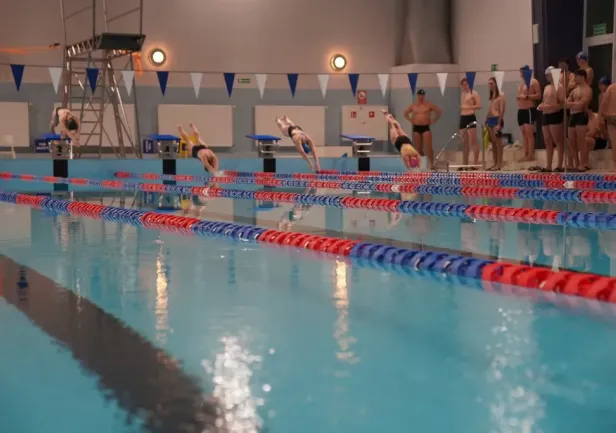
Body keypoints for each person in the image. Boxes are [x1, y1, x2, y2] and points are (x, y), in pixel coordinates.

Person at [403, 89, 442, 169]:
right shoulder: (413, 106)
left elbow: (438, 112)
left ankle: (432, 164)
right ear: (417, 96)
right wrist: (411, 120)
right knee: (418, 148)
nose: (421, 97)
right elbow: (405, 113)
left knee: (428, 147)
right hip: (416, 128)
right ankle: (420, 164)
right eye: (419, 95)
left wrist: (433, 121)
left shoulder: (428, 105)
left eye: (422, 95)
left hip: (425, 127)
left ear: (424, 96)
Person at [537, 66, 566, 172]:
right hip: (545, 115)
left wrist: (550, 107)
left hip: (555, 114)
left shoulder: (560, 87)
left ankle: (559, 165)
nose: (546, 77)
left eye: (548, 75)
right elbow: (544, 101)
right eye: (546, 75)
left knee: (558, 140)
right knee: (547, 141)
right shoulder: (546, 87)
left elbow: (563, 104)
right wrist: (541, 106)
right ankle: (549, 165)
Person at [566, 69, 593, 171]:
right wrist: (574, 104)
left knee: (581, 141)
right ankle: (576, 163)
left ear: (582, 77)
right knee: (571, 141)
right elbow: (566, 104)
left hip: (581, 115)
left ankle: (582, 163)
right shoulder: (574, 90)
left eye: (576, 77)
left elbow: (582, 104)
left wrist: (572, 104)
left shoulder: (588, 90)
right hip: (572, 116)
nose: (574, 79)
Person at [516, 65, 542, 164]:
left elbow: (539, 95)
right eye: (520, 73)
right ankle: (525, 154)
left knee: (529, 133)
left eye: (522, 72)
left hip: (529, 110)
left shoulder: (534, 82)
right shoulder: (521, 83)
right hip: (521, 110)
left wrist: (527, 97)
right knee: (524, 133)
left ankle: (531, 154)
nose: (521, 74)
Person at [459, 77, 481, 170]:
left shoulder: (474, 93)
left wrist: (468, 107)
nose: (465, 87)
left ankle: (475, 163)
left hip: (470, 116)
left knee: (473, 141)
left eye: (466, 84)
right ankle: (465, 164)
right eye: (463, 85)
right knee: (464, 142)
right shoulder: (462, 94)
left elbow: (479, 105)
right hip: (463, 117)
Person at [485, 77, 506, 170]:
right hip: (490, 119)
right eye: (489, 84)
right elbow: (490, 109)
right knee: (493, 143)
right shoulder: (491, 95)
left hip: (497, 119)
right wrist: (486, 120)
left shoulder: (501, 95)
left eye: (491, 83)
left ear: (496, 84)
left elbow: (502, 110)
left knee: (498, 143)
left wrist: (499, 123)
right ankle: (495, 163)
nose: (490, 85)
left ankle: (499, 164)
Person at [598, 82, 616, 170]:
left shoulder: (611, 88)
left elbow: (604, 102)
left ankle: (615, 166)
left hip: (611, 116)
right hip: (611, 116)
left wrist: (599, 116)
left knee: (614, 142)